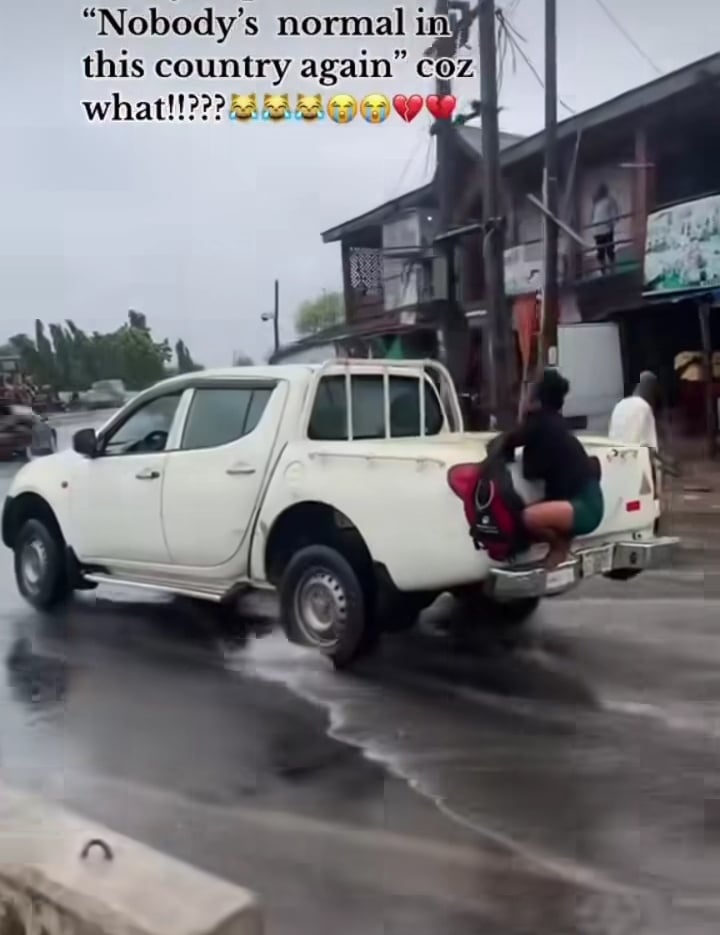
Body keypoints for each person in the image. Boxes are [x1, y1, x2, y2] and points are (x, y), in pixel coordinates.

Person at [497, 369, 604, 568]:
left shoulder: (540, 424)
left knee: (527, 517)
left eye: (529, 391)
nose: (524, 394)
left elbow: (509, 442)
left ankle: (560, 548)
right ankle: (560, 545)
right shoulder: (552, 422)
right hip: (585, 498)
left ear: (537, 400)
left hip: (584, 506)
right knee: (529, 512)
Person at [591, 183, 619, 273]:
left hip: (596, 230)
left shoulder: (596, 202)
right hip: (606, 228)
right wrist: (613, 223)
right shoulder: (609, 200)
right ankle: (612, 269)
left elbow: (592, 216)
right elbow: (615, 213)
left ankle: (603, 270)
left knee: (601, 251)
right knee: (610, 249)